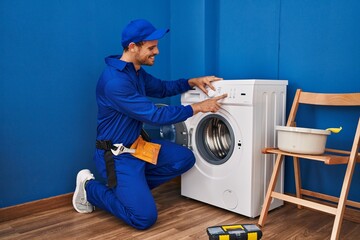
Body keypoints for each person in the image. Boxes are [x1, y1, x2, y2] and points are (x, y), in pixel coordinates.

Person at [72, 19, 227, 230]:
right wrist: (198, 107)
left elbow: (162, 88)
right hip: (117, 156)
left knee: (184, 158)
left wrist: (191, 81)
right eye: (151, 47)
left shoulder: (134, 71)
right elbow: (154, 115)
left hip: (138, 147)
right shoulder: (115, 82)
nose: (157, 52)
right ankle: (89, 188)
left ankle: (132, 190)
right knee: (143, 218)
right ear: (133, 47)